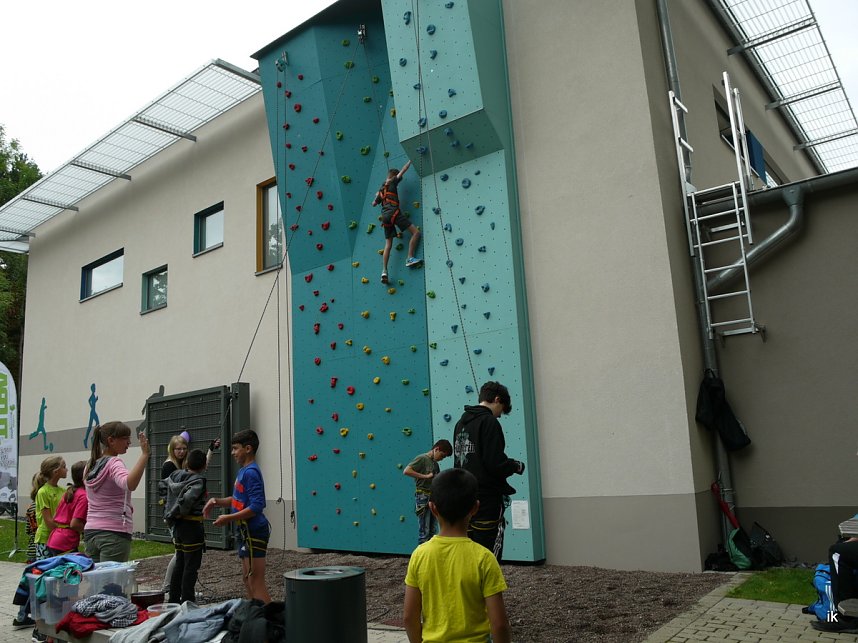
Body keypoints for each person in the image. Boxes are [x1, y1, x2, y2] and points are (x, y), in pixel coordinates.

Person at [403, 468, 512, 643]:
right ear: (475, 508)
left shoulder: (420, 555)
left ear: (433, 508)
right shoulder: (484, 558)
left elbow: (409, 617)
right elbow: (499, 624)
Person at [452, 381, 525, 560]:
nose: (499, 415)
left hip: (465, 496)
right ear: (497, 399)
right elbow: (494, 462)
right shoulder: (489, 421)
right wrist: (515, 466)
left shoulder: (460, 423)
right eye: (501, 409)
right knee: (489, 554)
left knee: (467, 550)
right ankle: (488, 587)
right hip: (487, 498)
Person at [204, 429, 271, 603]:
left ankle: (269, 622)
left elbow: (257, 505)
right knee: (247, 580)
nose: (232, 453)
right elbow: (237, 500)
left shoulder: (251, 472)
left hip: (254, 531)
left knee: (256, 582)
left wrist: (228, 518)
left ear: (248, 448)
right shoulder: (243, 471)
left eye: (235, 448)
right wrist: (216, 501)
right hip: (244, 531)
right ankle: (254, 616)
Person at [83, 421, 150, 562]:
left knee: (96, 582)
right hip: (114, 533)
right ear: (111, 440)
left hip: (90, 532)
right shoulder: (114, 463)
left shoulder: (90, 465)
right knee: (112, 582)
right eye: (125, 438)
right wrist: (144, 455)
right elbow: (128, 484)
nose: (129, 442)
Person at [163, 449, 208, 605]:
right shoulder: (198, 481)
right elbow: (188, 499)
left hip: (177, 526)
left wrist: (169, 511)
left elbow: (162, 486)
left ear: (187, 462)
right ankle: (188, 600)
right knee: (191, 566)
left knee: (180, 562)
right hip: (191, 525)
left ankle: (173, 599)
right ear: (204, 466)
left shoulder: (175, 475)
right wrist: (178, 511)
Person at [371, 159, 421, 283]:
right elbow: (403, 170)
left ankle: (384, 271)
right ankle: (409, 258)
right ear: (393, 177)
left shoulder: (381, 190)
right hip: (394, 213)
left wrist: (377, 195)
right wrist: (410, 161)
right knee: (416, 233)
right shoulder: (393, 182)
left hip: (385, 217)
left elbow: (373, 204)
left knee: (388, 245)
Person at [403, 439, 453, 544]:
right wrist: (425, 476)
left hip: (433, 497)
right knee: (424, 531)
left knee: (433, 531)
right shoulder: (422, 458)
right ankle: (422, 557)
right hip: (423, 496)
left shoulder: (435, 464)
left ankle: (430, 555)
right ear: (437, 449)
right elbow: (407, 471)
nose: (442, 459)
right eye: (442, 456)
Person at [11, 475, 41, 630]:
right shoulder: (42, 505)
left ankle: (22, 615)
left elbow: (28, 529)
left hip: (31, 549)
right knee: (37, 584)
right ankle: (26, 616)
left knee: (30, 583)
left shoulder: (30, 507)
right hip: (41, 547)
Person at [46, 461, 88, 555]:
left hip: (55, 539)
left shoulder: (70, 492)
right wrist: (91, 530)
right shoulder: (83, 496)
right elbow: (74, 524)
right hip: (66, 542)